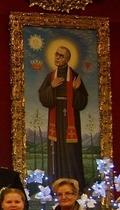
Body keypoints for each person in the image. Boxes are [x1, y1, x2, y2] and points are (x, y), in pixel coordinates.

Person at [38, 46, 89, 189]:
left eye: (61, 56)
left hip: (70, 118)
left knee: (71, 150)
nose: (57, 58)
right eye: (56, 54)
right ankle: (55, 183)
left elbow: (82, 101)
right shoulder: (50, 77)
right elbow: (43, 96)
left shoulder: (74, 76)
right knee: (56, 149)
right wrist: (51, 87)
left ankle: (75, 184)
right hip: (56, 115)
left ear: (67, 59)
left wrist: (76, 90)